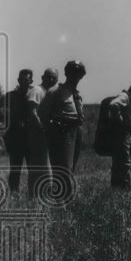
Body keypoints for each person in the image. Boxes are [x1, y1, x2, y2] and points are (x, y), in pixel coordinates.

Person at [43, 60, 86, 200]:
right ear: (67, 73)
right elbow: (43, 114)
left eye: (79, 73)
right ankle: (61, 200)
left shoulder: (77, 94)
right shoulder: (55, 92)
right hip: (62, 132)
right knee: (63, 169)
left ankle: (65, 197)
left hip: (76, 130)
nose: (76, 76)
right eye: (73, 72)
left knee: (71, 166)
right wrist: (55, 128)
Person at [106, 82, 131, 189]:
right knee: (124, 159)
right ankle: (124, 185)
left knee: (119, 159)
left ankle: (116, 184)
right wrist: (120, 121)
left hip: (123, 132)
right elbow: (113, 105)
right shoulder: (125, 97)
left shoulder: (130, 99)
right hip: (122, 131)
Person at [27, 68, 58, 198]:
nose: (51, 79)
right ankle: (40, 195)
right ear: (42, 77)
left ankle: (38, 194)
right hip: (37, 134)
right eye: (48, 77)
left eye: (54, 78)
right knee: (42, 166)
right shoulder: (37, 90)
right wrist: (41, 128)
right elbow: (32, 111)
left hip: (46, 133)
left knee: (43, 165)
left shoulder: (50, 92)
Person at [4, 69, 33, 194]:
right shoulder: (10, 96)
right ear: (18, 81)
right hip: (15, 138)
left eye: (26, 80)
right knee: (15, 169)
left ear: (31, 81)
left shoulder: (35, 94)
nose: (23, 82)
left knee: (33, 169)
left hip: (31, 138)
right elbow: (0, 114)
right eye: (21, 80)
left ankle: (33, 194)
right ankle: (13, 194)